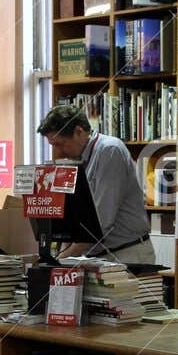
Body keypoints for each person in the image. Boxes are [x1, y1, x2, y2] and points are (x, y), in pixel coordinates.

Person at [35, 103, 156, 265]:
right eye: (53, 145)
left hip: (126, 254)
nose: (58, 151)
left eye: (60, 144)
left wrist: (63, 259)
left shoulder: (109, 151)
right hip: (96, 255)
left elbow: (101, 221)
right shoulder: (75, 160)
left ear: (79, 132)